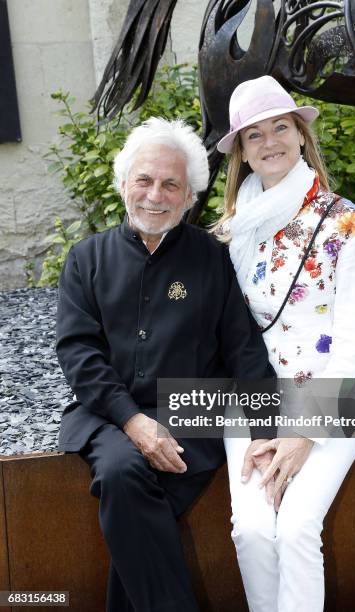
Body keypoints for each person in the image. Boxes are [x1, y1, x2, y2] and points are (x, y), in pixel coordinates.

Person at [56, 116, 275, 612]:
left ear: (189, 196)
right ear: (124, 184)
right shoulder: (85, 259)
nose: (155, 194)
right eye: (145, 180)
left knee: (127, 498)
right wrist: (133, 421)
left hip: (190, 414)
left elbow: (243, 347)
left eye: (171, 184)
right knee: (119, 471)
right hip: (109, 415)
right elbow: (77, 353)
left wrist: (265, 428)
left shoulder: (210, 258)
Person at [214, 75, 355, 612]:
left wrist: (305, 432)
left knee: (299, 528)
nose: (270, 143)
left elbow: (352, 345)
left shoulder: (351, 225)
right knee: (254, 533)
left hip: (330, 398)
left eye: (280, 128)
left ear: (302, 135)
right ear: (241, 150)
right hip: (255, 399)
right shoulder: (233, 231)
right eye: (253, 135)